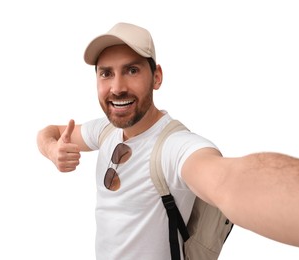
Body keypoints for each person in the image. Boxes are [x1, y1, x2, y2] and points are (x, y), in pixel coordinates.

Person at [37, 22, 299, 259]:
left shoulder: (174, 147)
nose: (117, 87)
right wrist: (52, 149)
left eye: (131, 70)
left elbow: (229, 181)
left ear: (157, 77)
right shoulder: (105, 130)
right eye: (106, 73)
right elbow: (48, 131)